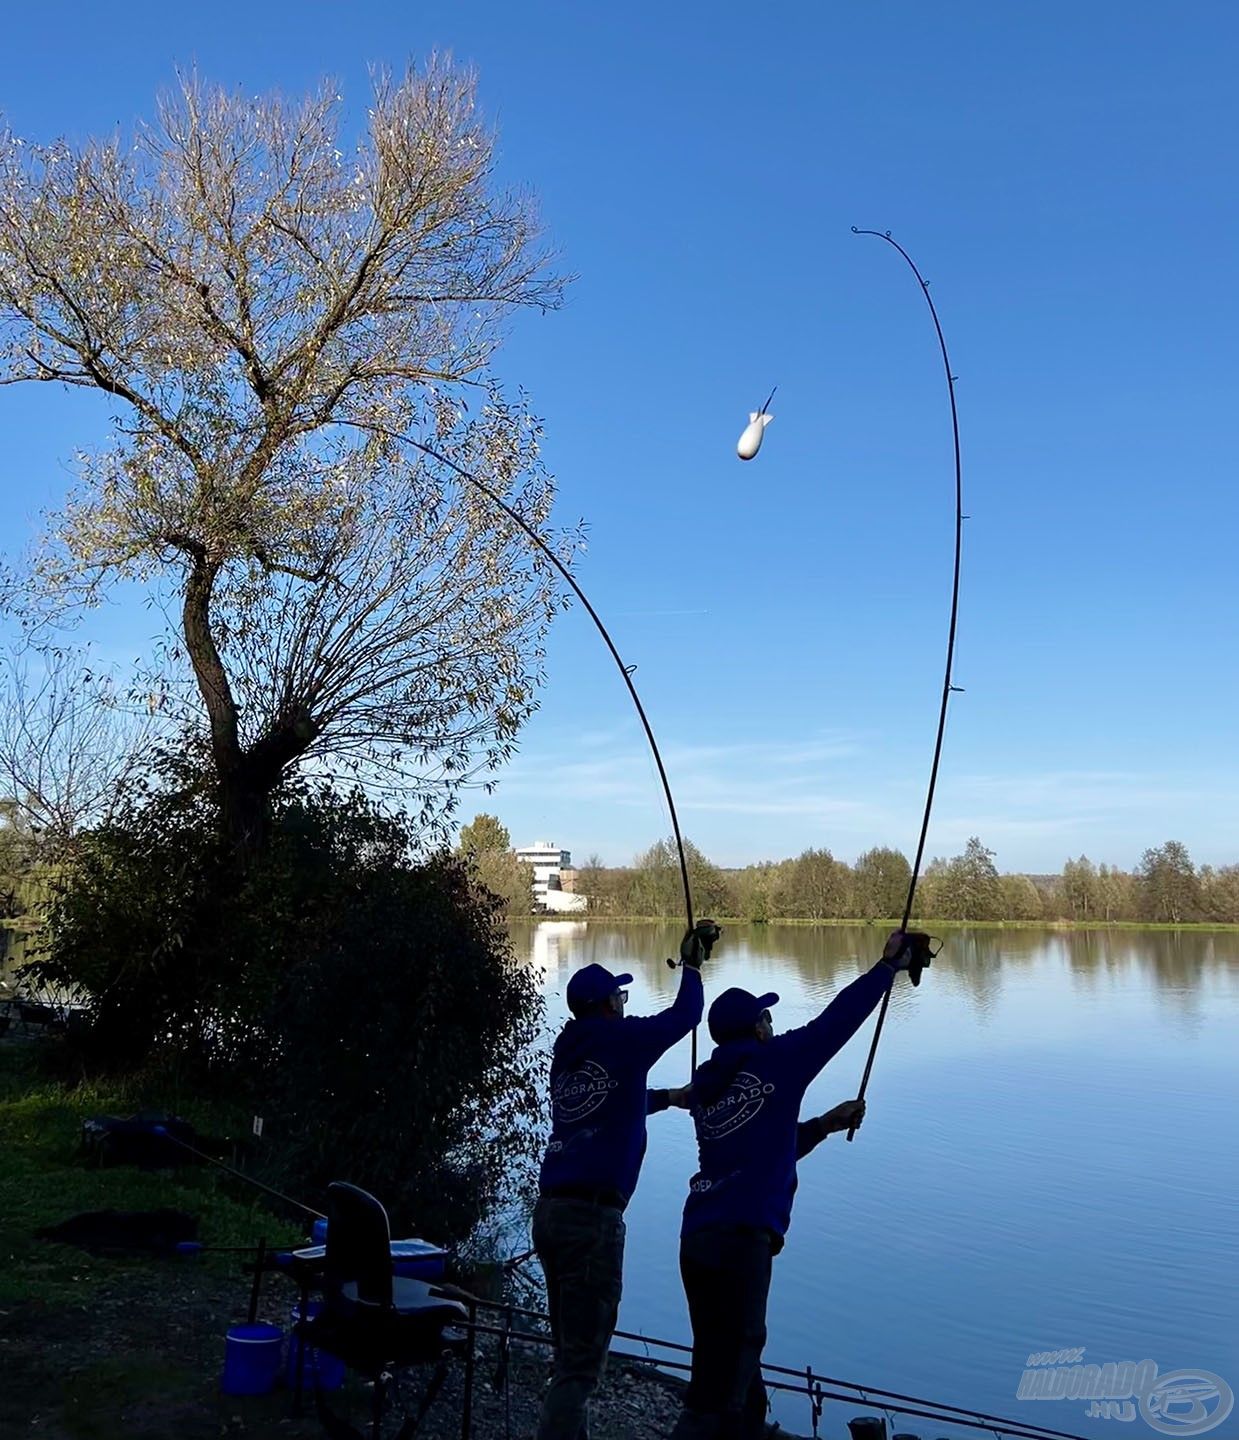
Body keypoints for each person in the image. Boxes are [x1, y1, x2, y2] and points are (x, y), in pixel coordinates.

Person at [670, 930, 929, 1439]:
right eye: (768, 1016)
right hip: (742, 1240)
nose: (773, 1022)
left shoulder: (705, 1085)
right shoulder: (778, 1060)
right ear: (759, 1029)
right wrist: (886, 969)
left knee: (719, 1366)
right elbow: (838, 1021)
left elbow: (759, 1145)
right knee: (733, 1371)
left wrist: (823, 1127)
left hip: (697, 1237)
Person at [533, 920, 720, 1440]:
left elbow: (601, 1101)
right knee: (581, 1366)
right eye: (618, 993)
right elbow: (685, 1016)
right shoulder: (624, 1038)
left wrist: (667, 1098)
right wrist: (693, 966)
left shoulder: (569, 1050)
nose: (622, 1001)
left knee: (567, 1352)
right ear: (609, 1003)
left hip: (550, 1213)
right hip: (592, 1219)